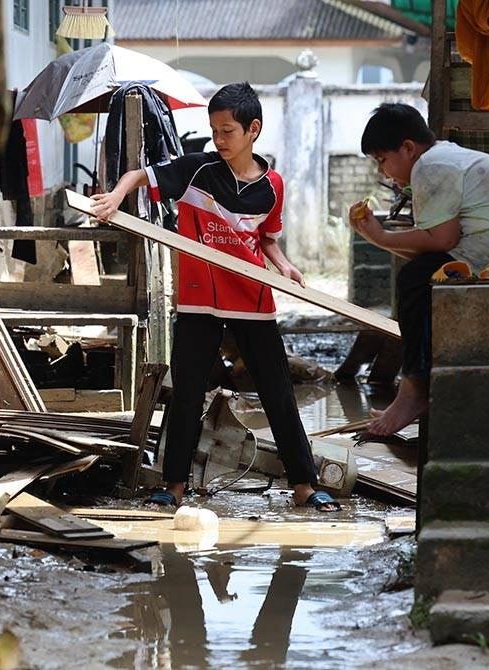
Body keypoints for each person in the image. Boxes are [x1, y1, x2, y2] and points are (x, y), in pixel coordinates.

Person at [90, 82, 339, 512]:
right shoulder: (197, 171)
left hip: (253, 299)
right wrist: (114, 197)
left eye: (227, 131)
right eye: (214, 130)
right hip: (197, 301)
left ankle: (304, 485)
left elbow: (267, 240)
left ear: (253, 130)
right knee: (186, 391)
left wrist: (284, 265)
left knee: (277, 392)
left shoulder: (273, 186)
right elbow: (141, 175)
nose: (218, 140)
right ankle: (174, 487)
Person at [348, 103, 489, 436]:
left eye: (382, 160)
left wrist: (382, 235)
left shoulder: (430, 166)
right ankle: (416, 386)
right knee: (422, 275)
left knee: (415, 279)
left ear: (408, 148)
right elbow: (438, 245)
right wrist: (379, 238)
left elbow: (441, 239)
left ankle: (414, 390)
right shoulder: (442, 157)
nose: (384, 173)